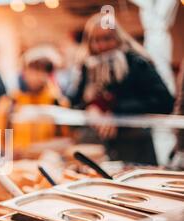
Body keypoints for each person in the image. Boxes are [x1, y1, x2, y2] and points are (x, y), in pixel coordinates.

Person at [68, 14, 174, 165]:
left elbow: (165, 101)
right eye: (96, 40)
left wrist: (117, 111)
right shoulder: (86, 67)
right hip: (99, 149)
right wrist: (91, 108)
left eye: (107, 38)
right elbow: (75, 102)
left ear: (118, 37)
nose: (101, 45)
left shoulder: (136, 63)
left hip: (136, 147)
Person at [0, 46, 69, 153]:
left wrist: (32, 150)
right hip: (14, 166)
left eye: (44, 69)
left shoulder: (59, 103)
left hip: (49, 165)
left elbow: (67, 142)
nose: (38, 75)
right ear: (24, 71)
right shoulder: (9, 102)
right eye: (34, 69)